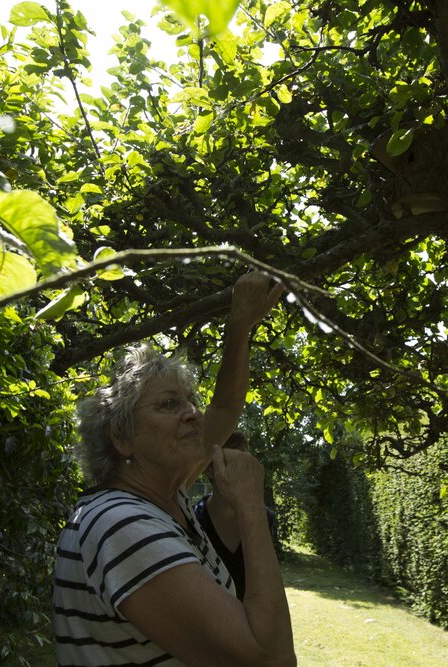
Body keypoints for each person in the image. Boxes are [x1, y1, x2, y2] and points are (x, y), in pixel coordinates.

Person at [52, 272, 295, 667]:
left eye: (190, 401)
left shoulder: (166, 496)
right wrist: (251, 505)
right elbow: (271, 660)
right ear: (122, 436)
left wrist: (240, 326)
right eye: (169, 405)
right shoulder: (124, 525)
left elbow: (226, 408)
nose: (193, 415)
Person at [193, 431, 277, 601]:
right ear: (209, 469)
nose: (244, 468)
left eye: (247, 459)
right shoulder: (193, 520)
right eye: (234, 460)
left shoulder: (264, 518)